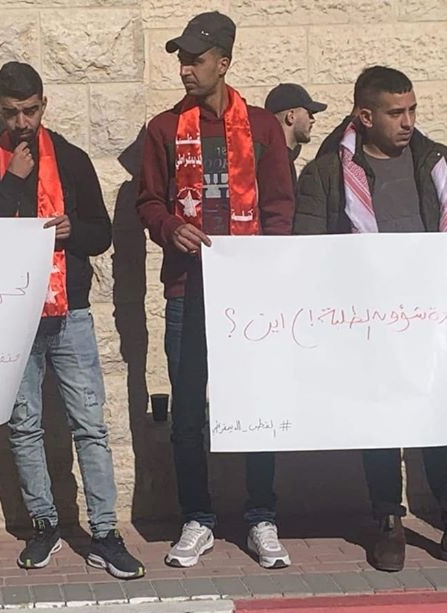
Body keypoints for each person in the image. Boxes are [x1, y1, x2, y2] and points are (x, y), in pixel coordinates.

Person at [294, 65, 447, 575]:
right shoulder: (327, 172)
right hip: (366, 322)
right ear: (365, 116)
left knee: (442, 425)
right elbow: (306, 248)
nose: (408, 121)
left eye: (412, 110)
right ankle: (388, 522)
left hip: (433, 318)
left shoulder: (436, 160)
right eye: (396, 113)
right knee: (381, 425)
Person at [0, 61, 145, 580]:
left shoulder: (72, 158)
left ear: (44, 104)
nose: (22, 122)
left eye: (31, 111)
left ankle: (104, 533)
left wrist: (71, 230)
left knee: (90, 425)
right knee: (24, 425)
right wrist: (12, 184)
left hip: (70, 311)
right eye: (12, 113)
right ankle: (44, 524)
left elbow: (101, 234)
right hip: (12, 313)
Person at [136, 12, 296, 569]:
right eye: (181, 59)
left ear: (223, 62)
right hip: (188, 289)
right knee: (187, 412)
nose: (186, 69)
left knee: (255, 405)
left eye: (196, 59)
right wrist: (168, 227)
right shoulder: (163, 129)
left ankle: (261, 515)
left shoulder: (263, 127)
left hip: (249, 294)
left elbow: (280, 207)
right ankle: (197, 517)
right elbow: (147, 202)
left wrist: (266, 271)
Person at [264, 83, 327, 183]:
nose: (312, 120)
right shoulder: (276, 164)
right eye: (309, 113)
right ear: (291, 116)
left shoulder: (280, 158)